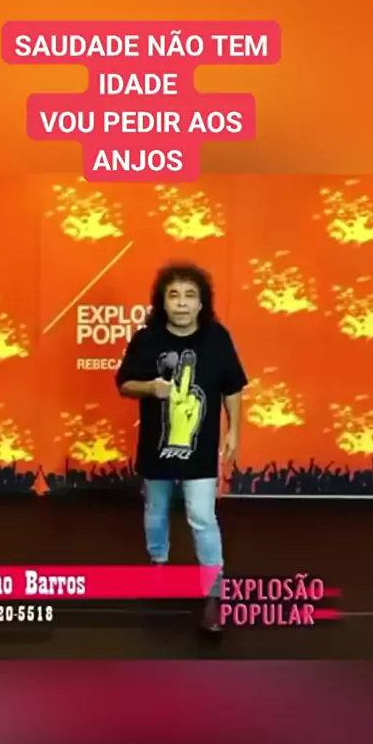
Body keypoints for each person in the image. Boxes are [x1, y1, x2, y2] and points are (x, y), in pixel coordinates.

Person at [116, 262, 248, 632]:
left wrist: (234, 431)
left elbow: (233, 387)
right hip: (155, 448)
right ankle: (158, 565)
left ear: (202, 303)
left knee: (202, 517)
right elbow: (124, 384)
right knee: (155, 510)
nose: (182, 303)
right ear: (163, 302)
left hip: (201, 450)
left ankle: (214, 593)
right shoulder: (146, 339)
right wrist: (151, 387)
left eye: (190, 295)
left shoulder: (217, 338)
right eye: (174, 295)